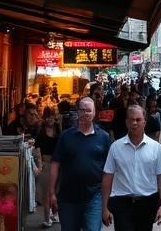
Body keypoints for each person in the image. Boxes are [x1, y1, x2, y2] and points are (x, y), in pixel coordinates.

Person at [101, 106, 161, 231]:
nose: (134, 123)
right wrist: (104, 207)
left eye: (138, 119)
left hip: (147, 203)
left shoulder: (156, 148)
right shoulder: (116, 147)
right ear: (126, 122)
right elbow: (107, 177)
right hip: (122, 204)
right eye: (131, 119)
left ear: (145, 121)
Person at [49, 97, 113, 231]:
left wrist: (107, 203)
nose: (85, 114)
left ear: (94, 113)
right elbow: (55, 164)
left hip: (94, 196)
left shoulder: (103, 137)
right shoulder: (66, 136)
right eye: (82, 110)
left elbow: (109, 171)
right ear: (78, 112)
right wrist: (52, 192)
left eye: (89, 111)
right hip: (68, 197)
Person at [36, 109, 62, 227]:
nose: (50, 120)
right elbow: (37, 149)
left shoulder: (59, 133)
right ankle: (47, 218)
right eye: (47, 117)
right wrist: (39, 164)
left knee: (56, 191)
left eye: (51, 117)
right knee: (46, 192)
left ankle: (54, 214)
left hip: (57, 165)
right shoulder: (41, 133)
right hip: (46, 165)